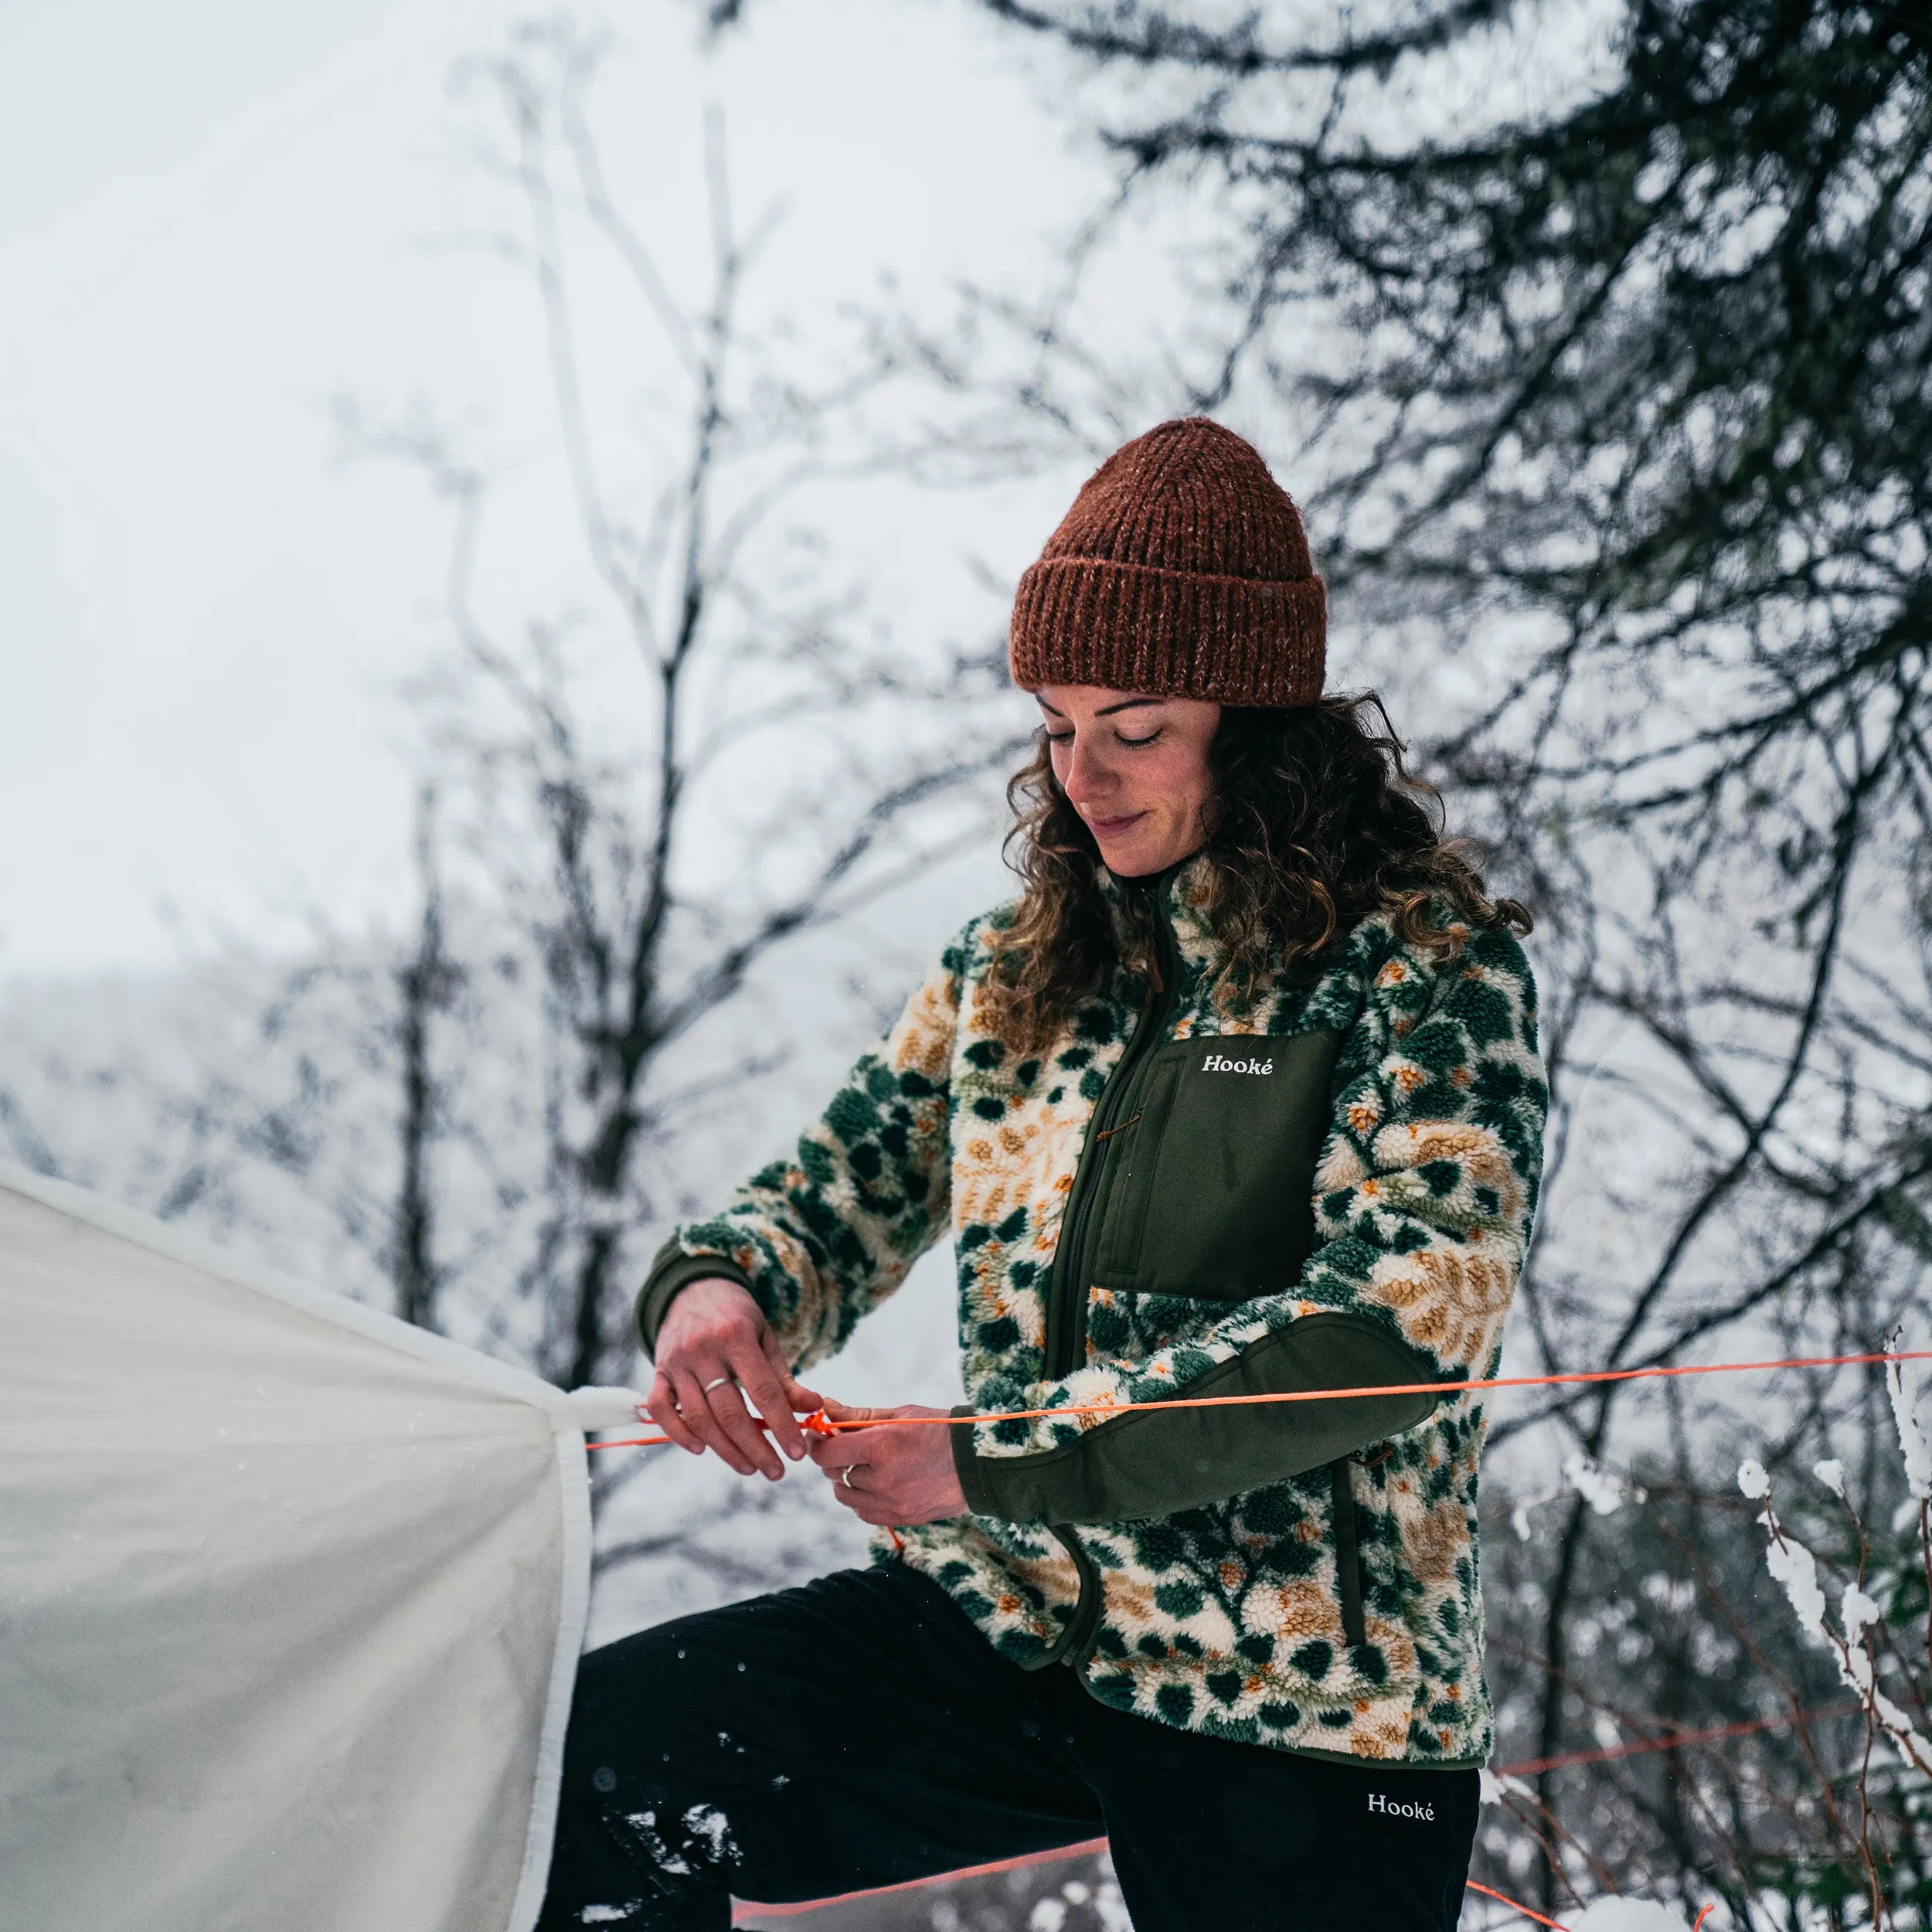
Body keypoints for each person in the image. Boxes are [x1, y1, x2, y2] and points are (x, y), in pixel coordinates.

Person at [537, 416, 1549, 1931]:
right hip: (1018, 1625)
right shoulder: (1017, 973)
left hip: (1296, 1692)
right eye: (1056, 723)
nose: (1081, 770)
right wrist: (721, 1285)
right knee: (576, 1786)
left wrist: (997, 1453)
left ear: (1257, 722)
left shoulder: (1417, 963)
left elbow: (1399, 1331)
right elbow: (842, 1181)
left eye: (1132, 724)